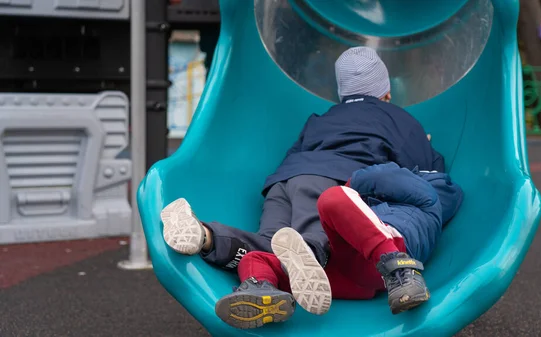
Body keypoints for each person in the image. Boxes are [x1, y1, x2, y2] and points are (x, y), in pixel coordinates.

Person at [160, 45, 445, 313]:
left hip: (284, 182)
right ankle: (301, 258)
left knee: (273, 244)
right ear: (386, 92)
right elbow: (426, 175)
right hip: (329, 181)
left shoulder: (322, 118)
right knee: (316, 249)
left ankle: (207, 236)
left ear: (342, 93)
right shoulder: (398, 119)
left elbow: (296, 154)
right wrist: (426, 145)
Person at [214, 162, 463, 329]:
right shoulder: (421, 217)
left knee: (332, 198)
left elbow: (383, 176)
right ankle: (261, 289)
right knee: (258, 259)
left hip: (382, 256)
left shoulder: (428, 198)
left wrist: (350, 186)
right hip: (358, 278)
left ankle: (401, 271)